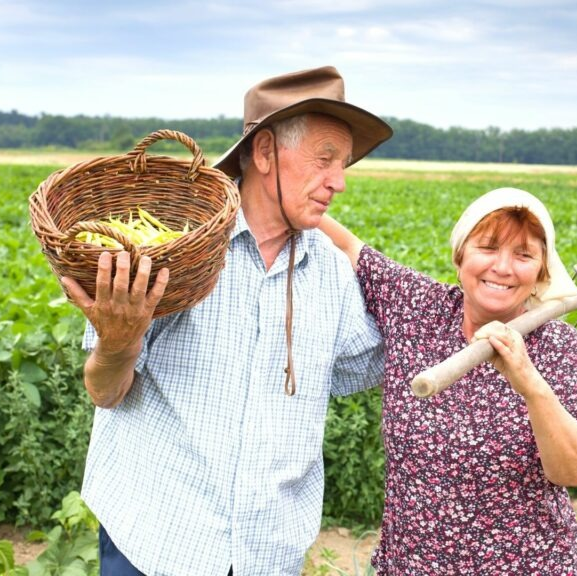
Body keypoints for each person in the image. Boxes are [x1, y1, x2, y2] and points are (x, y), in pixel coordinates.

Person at [61, 66, 393, 576]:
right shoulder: (172, 247)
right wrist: (117, 343)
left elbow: (377, 360)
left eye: (344, 165)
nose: (339, 183)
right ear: (263, 153)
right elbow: (104, 390)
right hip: (156, 544)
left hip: (267, 553)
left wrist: (482, 306)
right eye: (324, 160)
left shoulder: (328, 272)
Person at [318, 187, 577, 574]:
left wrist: (530, 385)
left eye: (523, 255)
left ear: (539, 273)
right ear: (460, 256)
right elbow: (347, 245)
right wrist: (259, 184)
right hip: (411, 566)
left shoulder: (558, 346)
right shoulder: (419, 309)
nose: (503, 267)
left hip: (530, 566)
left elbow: (572, 471)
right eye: (488, 247)